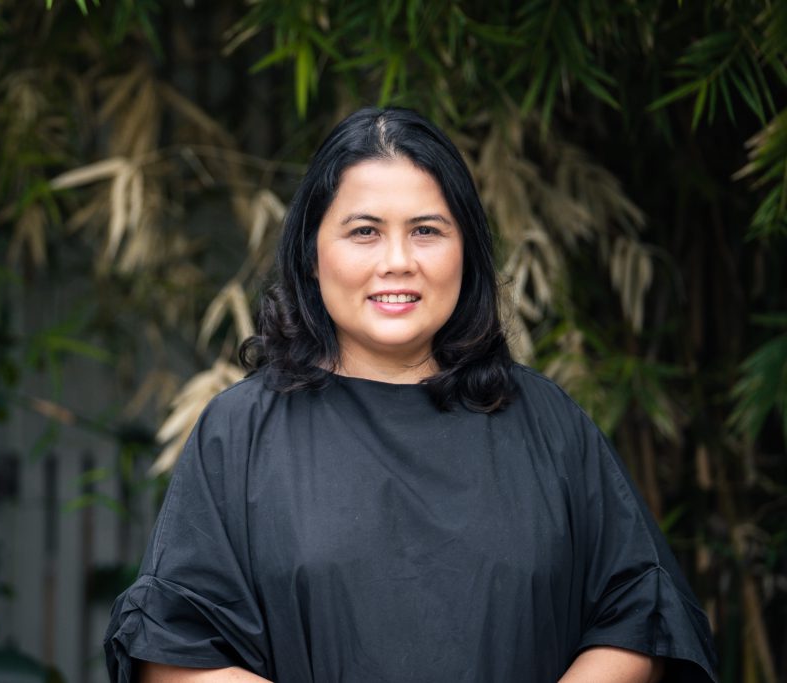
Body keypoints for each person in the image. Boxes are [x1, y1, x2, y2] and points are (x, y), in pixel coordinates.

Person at [103, 107, 718, 682]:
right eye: (364, 231)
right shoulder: (240, 432)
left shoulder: (548, 423)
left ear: (466, 250)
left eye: (426, 230)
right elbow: (172, 649)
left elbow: (642, 611)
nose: (397, 261)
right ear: (312, 253)